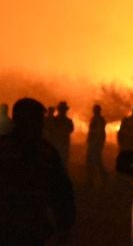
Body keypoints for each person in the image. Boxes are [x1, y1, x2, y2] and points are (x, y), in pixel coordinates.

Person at [0, 97, 76, 244]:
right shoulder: (45, 153)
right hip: (28, 226)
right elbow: (62, 193)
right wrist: (64, 225)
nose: (41, 125)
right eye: (37, 120)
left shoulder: (4, 148)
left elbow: (61, 191)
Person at [85, 104, 107, 187]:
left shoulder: (99, 119)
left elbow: (98, 131)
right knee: (95, 161)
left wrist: (95, 142)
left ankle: (92, 180)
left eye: (95, 110)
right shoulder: (96, 119)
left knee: (94, 160)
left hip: (95, 143)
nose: (94, 111)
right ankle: (101, 178)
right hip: (95, 142)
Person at [45, 103, 73, 167]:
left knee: (62, 162)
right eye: (62, 109)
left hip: (62, 145)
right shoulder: (54, 120)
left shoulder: (68, 121)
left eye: (64, 109)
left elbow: (70, 130)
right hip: (56, 144)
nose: (63, 111)